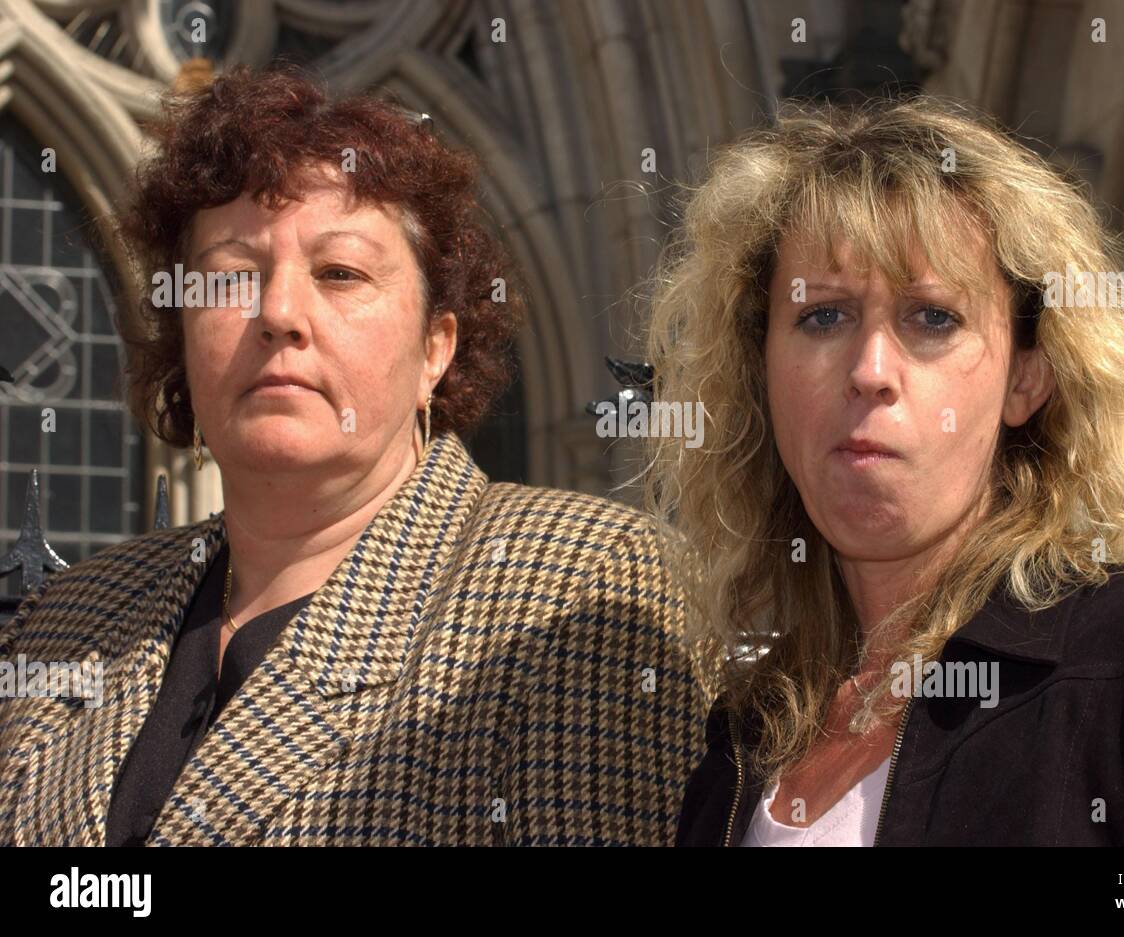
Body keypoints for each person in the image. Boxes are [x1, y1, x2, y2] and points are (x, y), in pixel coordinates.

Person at [0, 64, 714, 846]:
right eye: (232, 277)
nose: (277, 314)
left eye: (339, 273)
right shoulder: (70, 617)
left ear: (435, 348)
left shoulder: (582, 584)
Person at [643, 95, 1124, 846]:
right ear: (761, 371)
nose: (870, 371)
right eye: (823, 315)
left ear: (1028, 376)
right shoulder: (736, 751)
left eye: (932, 317)